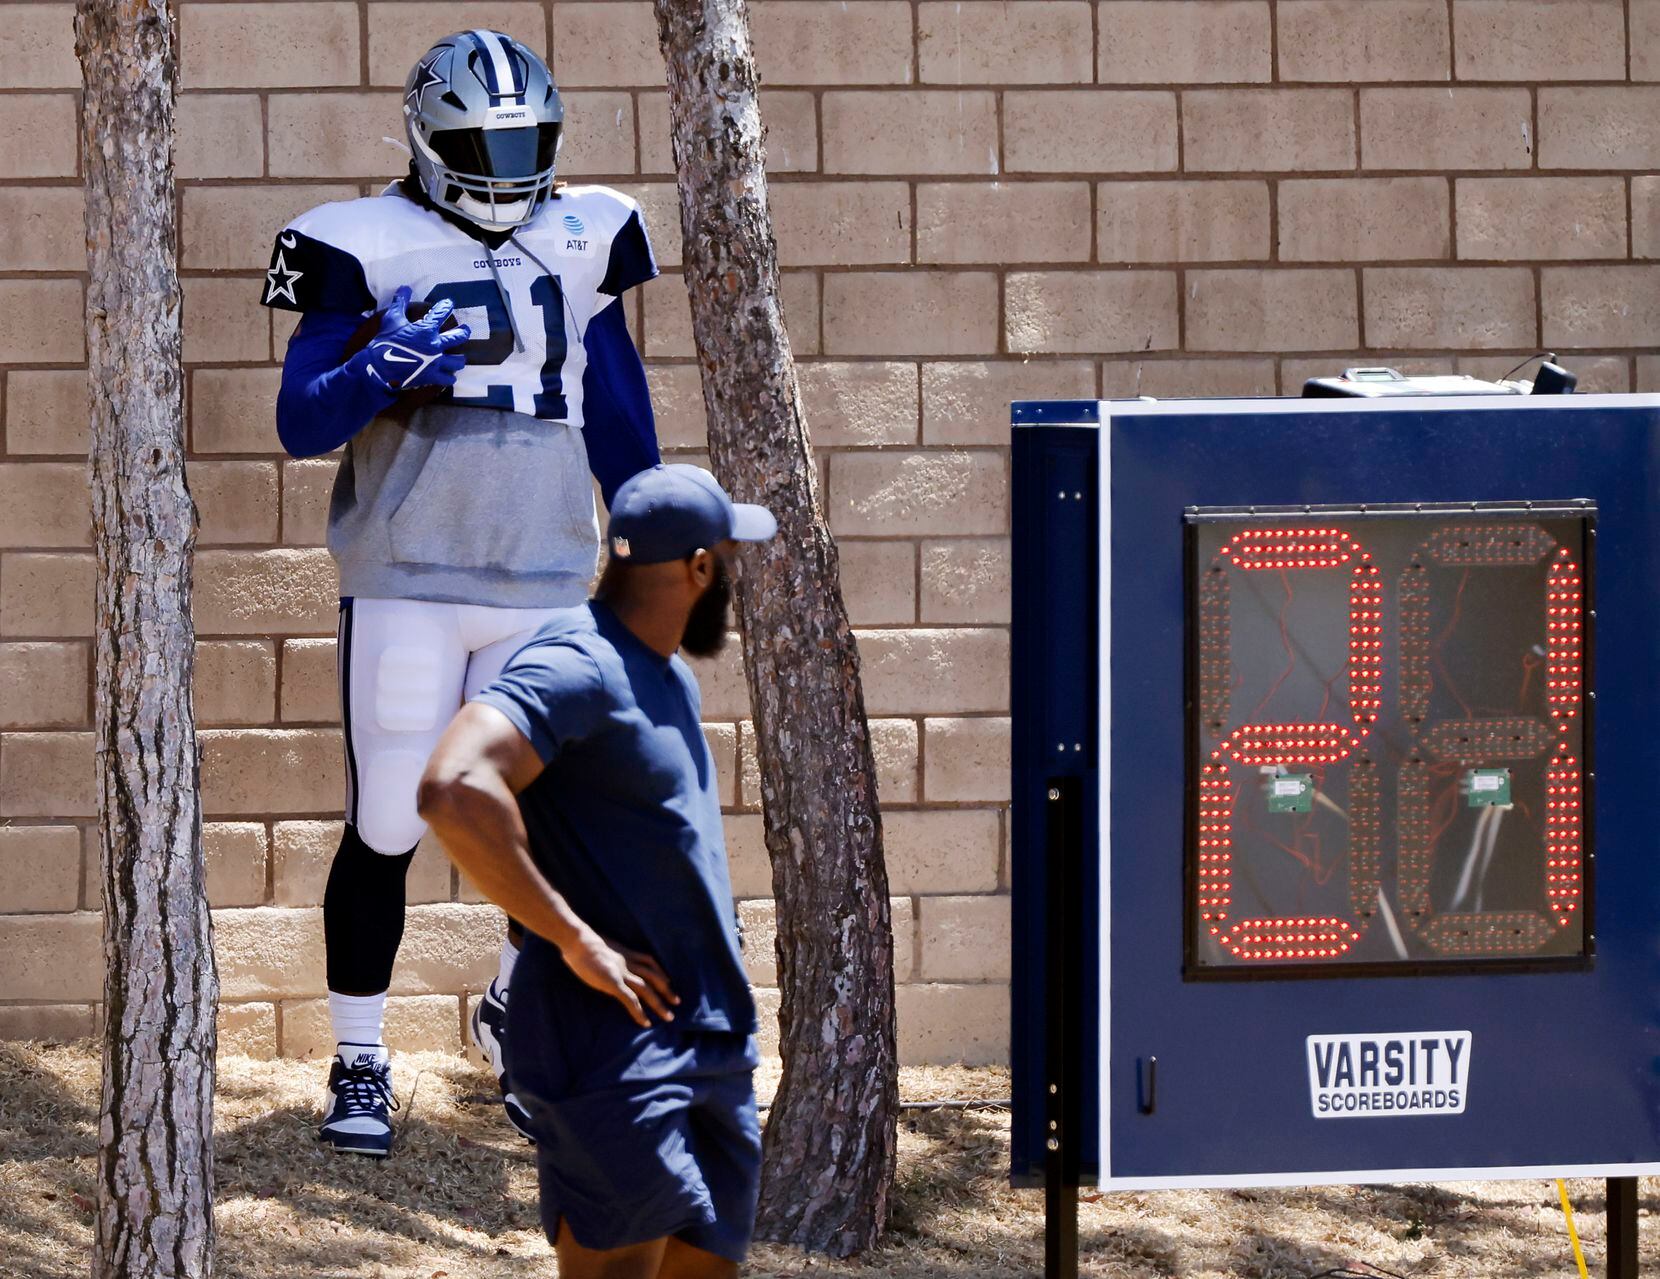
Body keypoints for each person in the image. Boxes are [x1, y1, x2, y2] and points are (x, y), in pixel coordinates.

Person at [258, 28, 662, 1155]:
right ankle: (358, 1057)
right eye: (481, 142)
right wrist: (381, 361)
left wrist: (650, 528)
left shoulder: (586, 233)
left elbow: (616, 399)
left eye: (525, 140)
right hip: (409, 575)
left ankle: (518, 1026)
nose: (505, 164)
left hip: (541, 572)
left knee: (539, 829)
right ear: (425, 139)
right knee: (388, 814)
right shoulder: (358, 241)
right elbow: (301, 422)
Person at [417, 464, 776, 1279]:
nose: (734, 575)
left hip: (707, 1042)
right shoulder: (576, 661)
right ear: (697, 568)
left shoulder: (668, 675)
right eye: (730, 555)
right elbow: (452, 785)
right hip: (613, 1046)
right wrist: (574, 938)